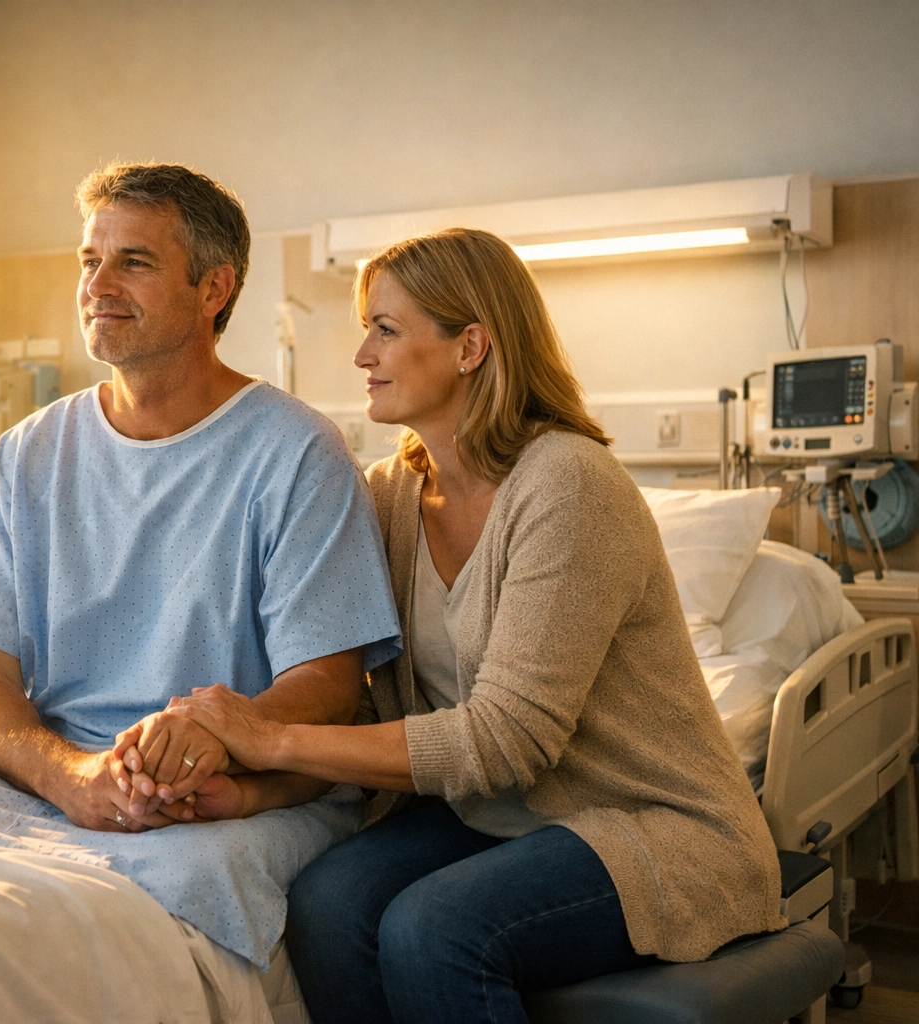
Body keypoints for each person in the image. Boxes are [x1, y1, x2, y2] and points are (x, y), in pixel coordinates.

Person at [159, 228, 785, 1023]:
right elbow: (367, 721)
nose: (360, 355)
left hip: (652, 827)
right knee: (325, 901)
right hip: (497, 818)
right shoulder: (388, 498)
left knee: (434, 928)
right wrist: (246, 795)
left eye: (385, 329)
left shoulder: (569, 487)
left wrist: (267, 737)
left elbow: (504, 739)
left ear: (470, 346)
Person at [0, 161, 402, 834]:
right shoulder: (29, 452)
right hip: (60, 774)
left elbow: (329, 685)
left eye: (134, 262)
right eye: (90, 260)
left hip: (218, 788)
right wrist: (66, 775)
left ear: (214, 288)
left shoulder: (296, 454)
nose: (97, 285)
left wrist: (216, 735)